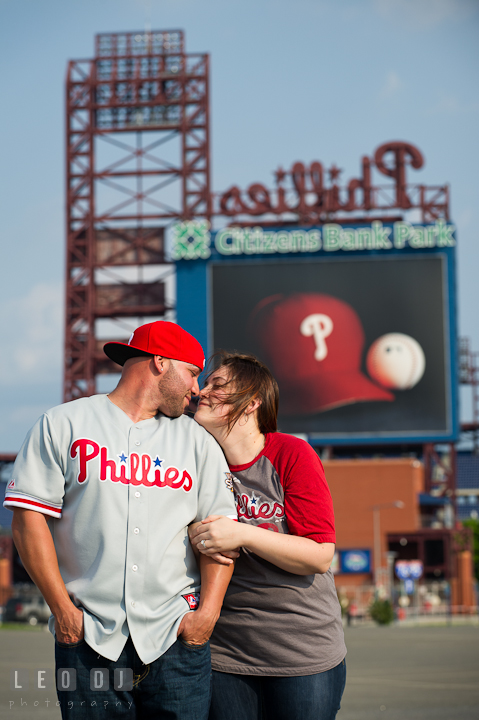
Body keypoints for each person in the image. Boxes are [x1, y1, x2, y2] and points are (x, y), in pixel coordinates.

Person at [4, 321, 237, 720]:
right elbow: (28, 521)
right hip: (87, 633)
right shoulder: (63, 423)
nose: (197, 389)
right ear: (160, 362)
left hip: (175, 635)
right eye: (193, 373)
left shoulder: (197, 442)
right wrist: (62, 611)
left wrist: (207, 617)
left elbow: (219, 536)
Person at [190, 352, 347, 720]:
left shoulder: (291, 453)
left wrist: (239, 534)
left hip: (302, 653)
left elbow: (319, 554)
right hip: (227, 654)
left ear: (253, 401)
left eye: (217, 385)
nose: (202, 392)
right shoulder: (196, 459)